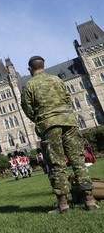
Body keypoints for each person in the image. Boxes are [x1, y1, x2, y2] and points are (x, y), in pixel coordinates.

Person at [21, 55, 98, 213]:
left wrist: (40, 118)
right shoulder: (57, 80)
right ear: (44, 65)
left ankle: (63, 205)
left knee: (57, 164)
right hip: (68, 122)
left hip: (49, 126)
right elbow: (68, 99)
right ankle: (89, 201)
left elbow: (27, 109)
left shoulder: (29, 86)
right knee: (78, 161)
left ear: (30, 69)